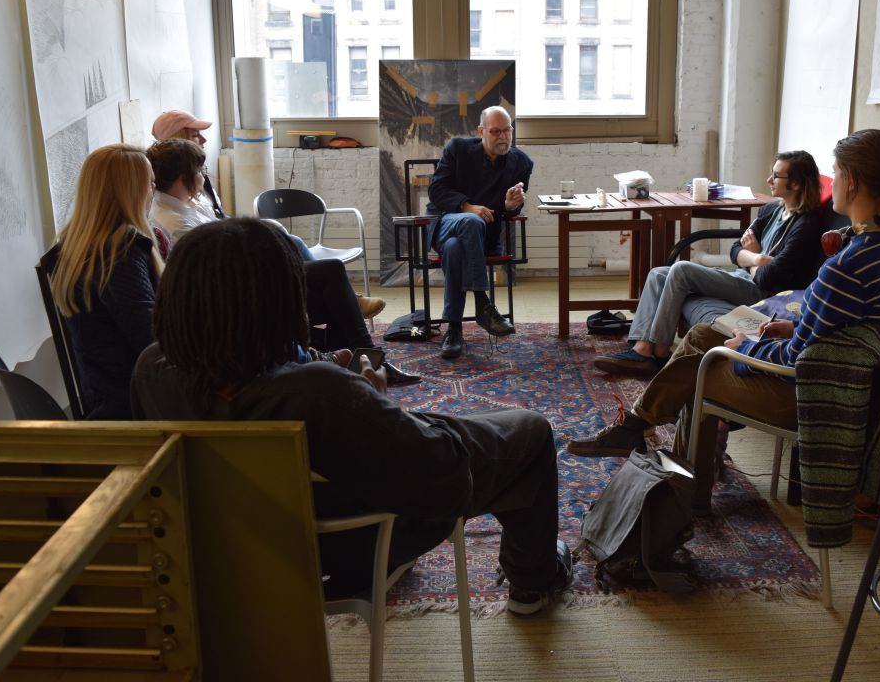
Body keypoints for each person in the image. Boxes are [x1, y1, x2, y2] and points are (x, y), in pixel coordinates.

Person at [130, 218, 572, 615]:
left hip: (232, 546)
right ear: (279, 302)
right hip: (345, 550)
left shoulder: (152, 369)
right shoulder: (322, 393)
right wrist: (370, 394)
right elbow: (445, 481)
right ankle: (533, 581)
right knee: (529, 431)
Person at [567, 129, 880, 484]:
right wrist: (794, 327)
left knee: (700, 366)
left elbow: (793, 359)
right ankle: (640, 428)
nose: (832, 181)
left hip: (812, 395)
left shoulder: (846, 266)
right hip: (851, 385)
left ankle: (679, 477)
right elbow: (847, 329)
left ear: (855, 181)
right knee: (705, 334)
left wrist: (747, 346)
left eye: (838, 171)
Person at [145, 136, 417, 386]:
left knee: (324, 284)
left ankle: (359, 360)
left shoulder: (189, 202)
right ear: (183, 178)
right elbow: (220, 266)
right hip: (237, 291)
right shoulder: (174, 219)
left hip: (246, 276)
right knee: (332, 279)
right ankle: (368, 357)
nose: (203, 177)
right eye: (198, 172)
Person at [594, 151, 824, 377]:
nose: (768, 180)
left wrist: (753, 262)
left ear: (795, 184)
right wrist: (757, 259)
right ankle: (642, 347)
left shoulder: (806, 226)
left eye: (776, 176)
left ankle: (659, 351)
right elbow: (736, 250)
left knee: (682, 269)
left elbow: (767, 279)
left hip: (765, 294)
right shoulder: (771, 210)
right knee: (658, 274)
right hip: (744, 277)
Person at [150, 111, 386, 320]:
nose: (204, 140)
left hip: (232, 258)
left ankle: (343, 316)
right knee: (326, 275)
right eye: (195, 135)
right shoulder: (173, 216)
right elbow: (212, 256)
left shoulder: (193, 194)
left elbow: (220, 223)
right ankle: (345, 310)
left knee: (295, 246)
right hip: (231, 274)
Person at [49, 144, 161, 420]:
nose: (152, 192)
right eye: (150, 184)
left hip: (103, 393)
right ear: (131, 192)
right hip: (133, 405)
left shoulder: (73, 244)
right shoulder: (118, 253)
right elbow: (152, 340)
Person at [427, 106, 532, 360]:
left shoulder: (522, 163)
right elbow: (436, 190)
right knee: (470, 222)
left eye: (507, 130)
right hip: (446, 223)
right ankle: (482, 302)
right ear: (481, 131)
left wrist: (509, 206)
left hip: (481, 240)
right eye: (495, 131)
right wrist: (468, 207)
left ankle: (453, 329)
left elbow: (507, 211)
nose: (503, 137)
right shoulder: (458, 149)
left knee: (455, 248)